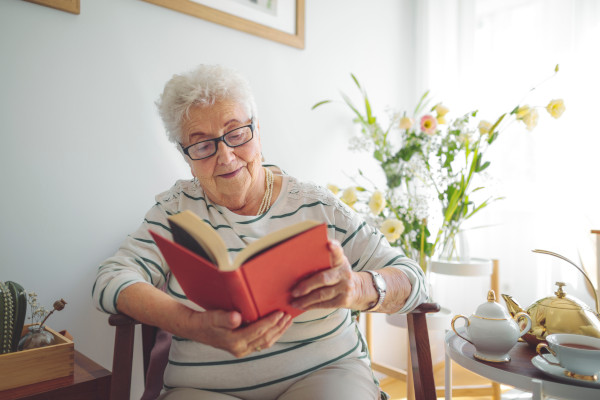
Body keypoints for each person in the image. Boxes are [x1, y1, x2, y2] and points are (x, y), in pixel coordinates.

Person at [93, 64, 428, 400]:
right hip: (205, 389)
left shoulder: (316, 204)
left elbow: (412, 279)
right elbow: (110, 279)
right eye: (202, 145)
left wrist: (356, 287)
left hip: (326, 374)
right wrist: (192, 325)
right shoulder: (174, 211)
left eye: (236, 133)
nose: (225, 157)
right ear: (186, 156)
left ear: (256, 130)